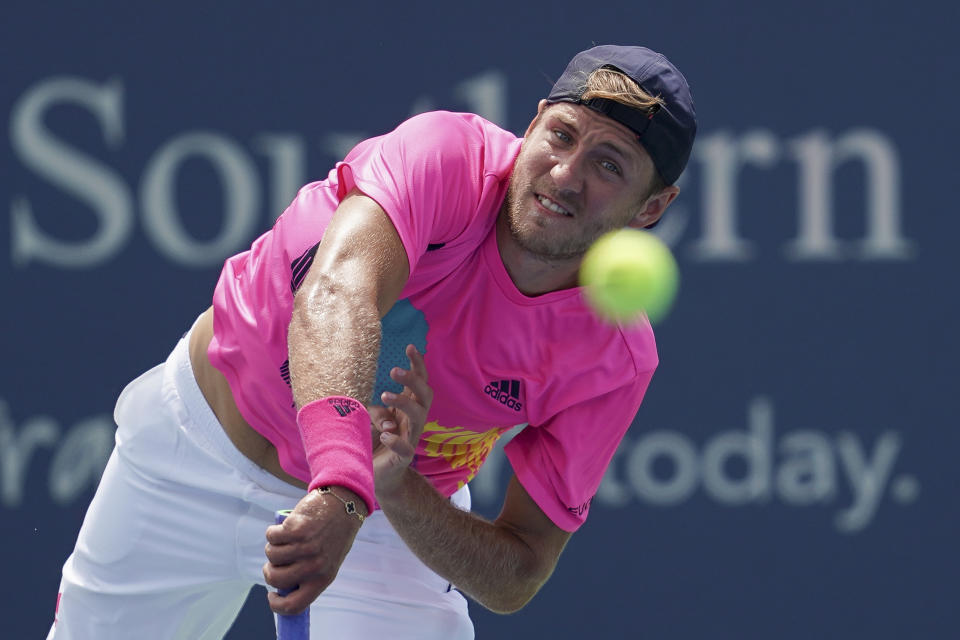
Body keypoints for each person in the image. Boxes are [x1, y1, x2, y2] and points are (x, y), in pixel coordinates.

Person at [47, 44, 697, 639]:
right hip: (196, 451)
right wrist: (342, 483)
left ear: (650, 208)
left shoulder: (614, 357)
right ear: (531, 126)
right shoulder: (444, 157)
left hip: (386, 522)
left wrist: (388, 488)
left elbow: (519, 573)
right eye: (560, 134)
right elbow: (337, 295)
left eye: (607, 165)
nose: (563, 173)